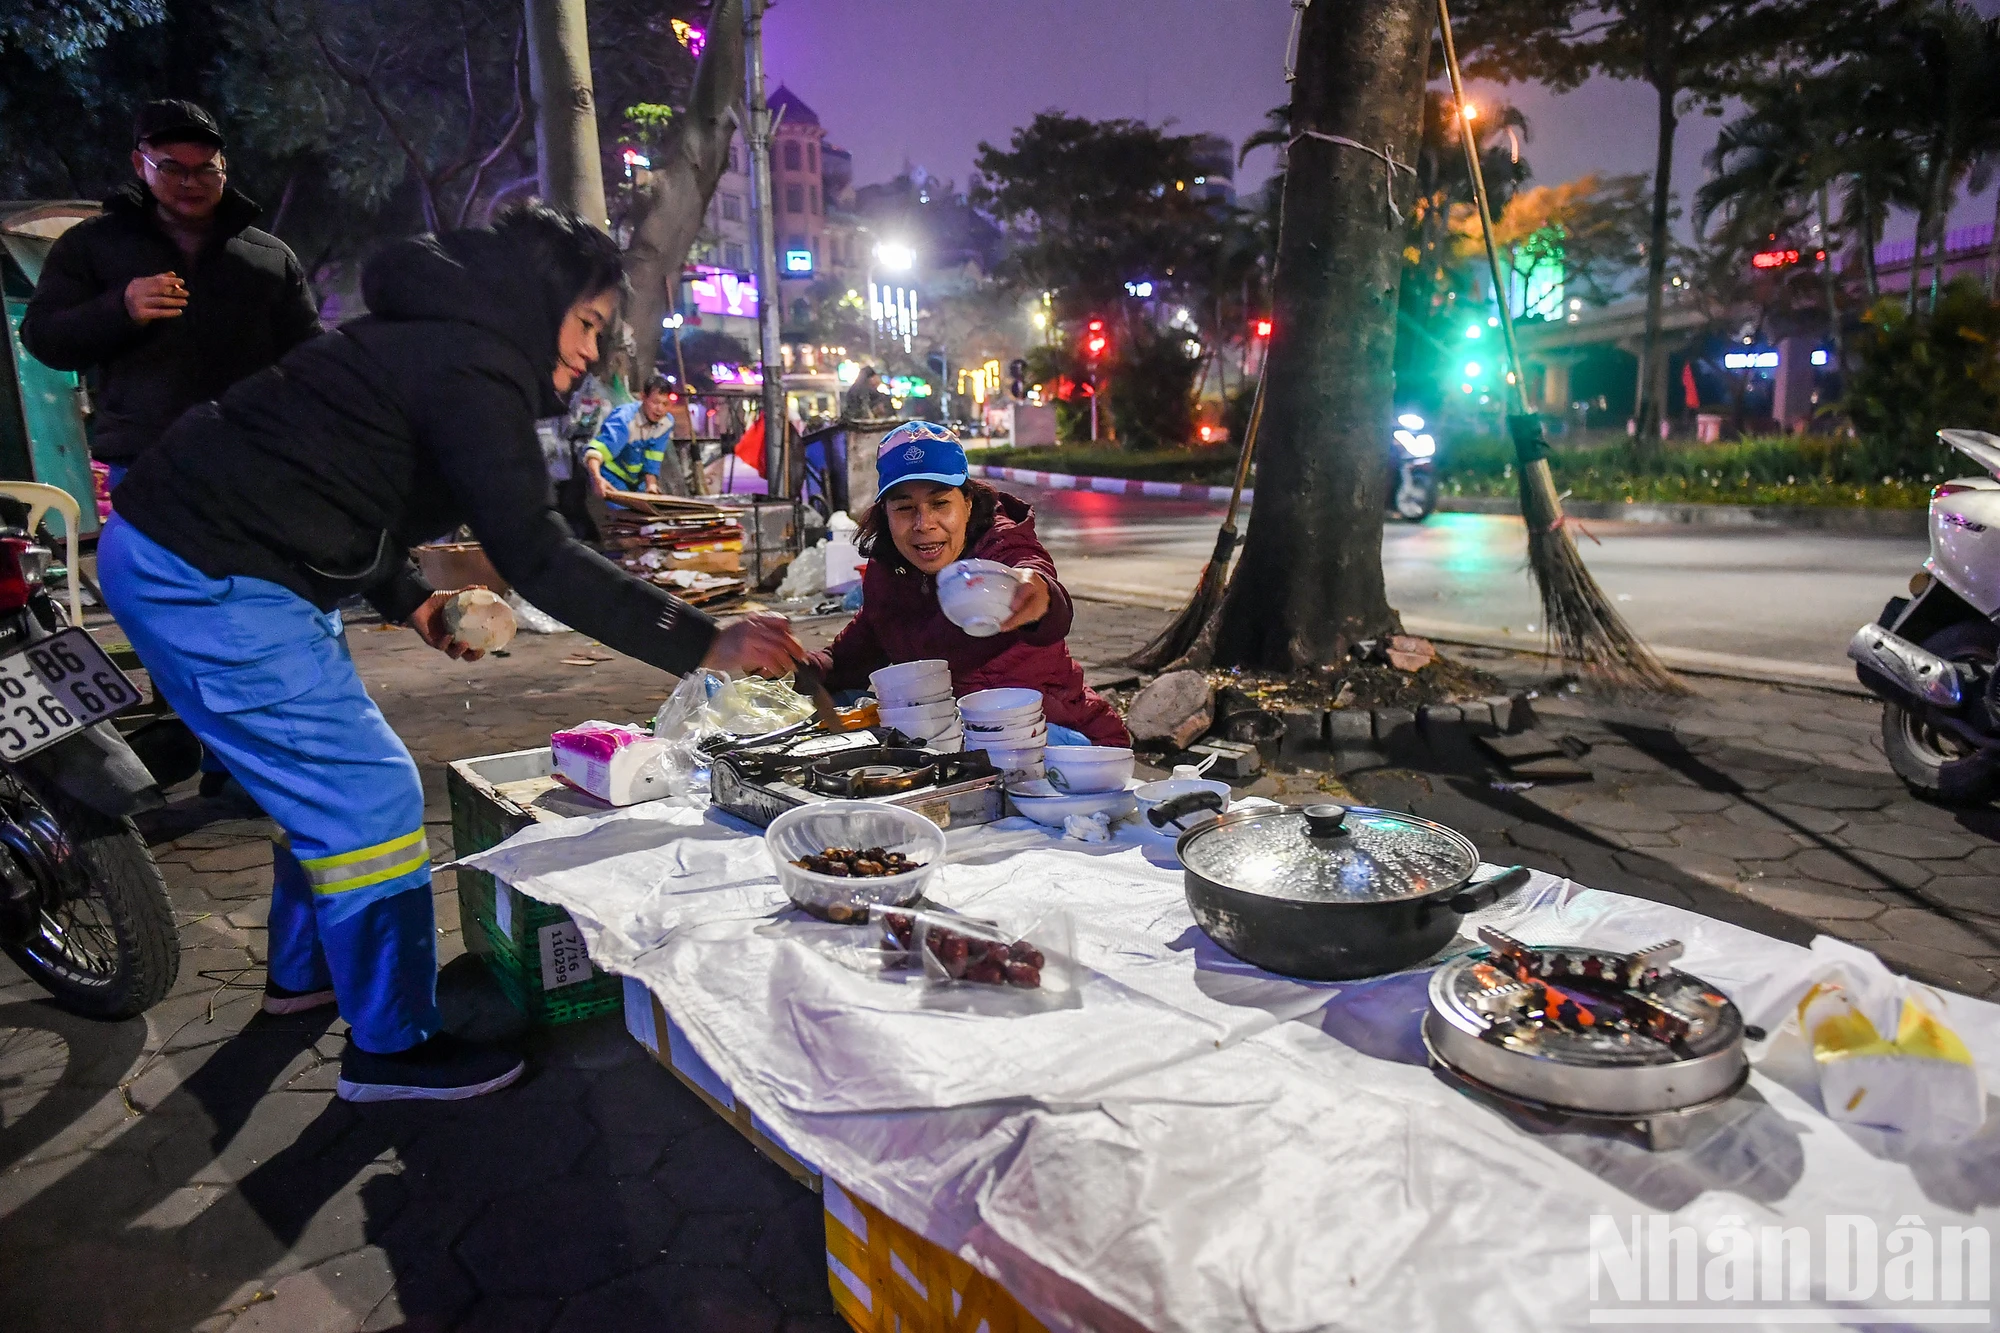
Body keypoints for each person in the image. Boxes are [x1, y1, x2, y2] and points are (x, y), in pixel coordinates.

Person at [101, 204, 803, 1103]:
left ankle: (304, 975)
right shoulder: (472, 362)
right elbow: (538, 552)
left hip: (231, 556)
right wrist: (703, 639)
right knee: (372, 798)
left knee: (321, 780)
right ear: (538, 298)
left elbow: (342, 489)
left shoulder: (439, 342)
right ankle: (390, 1046)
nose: (592, 351)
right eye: (587, 322)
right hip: (207, 572)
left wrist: (416, 601)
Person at [21, 99, 321, 491]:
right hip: (145, 461)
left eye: (205, 169)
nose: (190, 182)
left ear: (223, 169)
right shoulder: (92, 245)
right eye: (172, 168)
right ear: (139, 164)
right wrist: (120, 308)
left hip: (253, 457)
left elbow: (311, 358)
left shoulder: (268, 256)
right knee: (154, 555)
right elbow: (43, 337)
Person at [808, 422, 1130, 748]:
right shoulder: (889, 574)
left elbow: (1040, 585)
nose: (924, 524)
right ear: (886, 514)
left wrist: (1039, 596)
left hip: (1058, 734)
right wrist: (789, 668)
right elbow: (851, 658)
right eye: (905, 508)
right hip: (958, 740)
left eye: (940, 504)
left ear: (968, 503)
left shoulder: (999, 547)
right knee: (841, 703)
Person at [586, 373, 688, 497]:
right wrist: (597, 478)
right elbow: (598, 451)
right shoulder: (625, 419)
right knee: (623, 511)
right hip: (611, 475)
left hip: (635, 480)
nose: (660, 409)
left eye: (665, 404)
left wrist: (651, 485)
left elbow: (653, 456)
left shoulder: (666, 423)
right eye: (655, 402)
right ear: (643, 397)